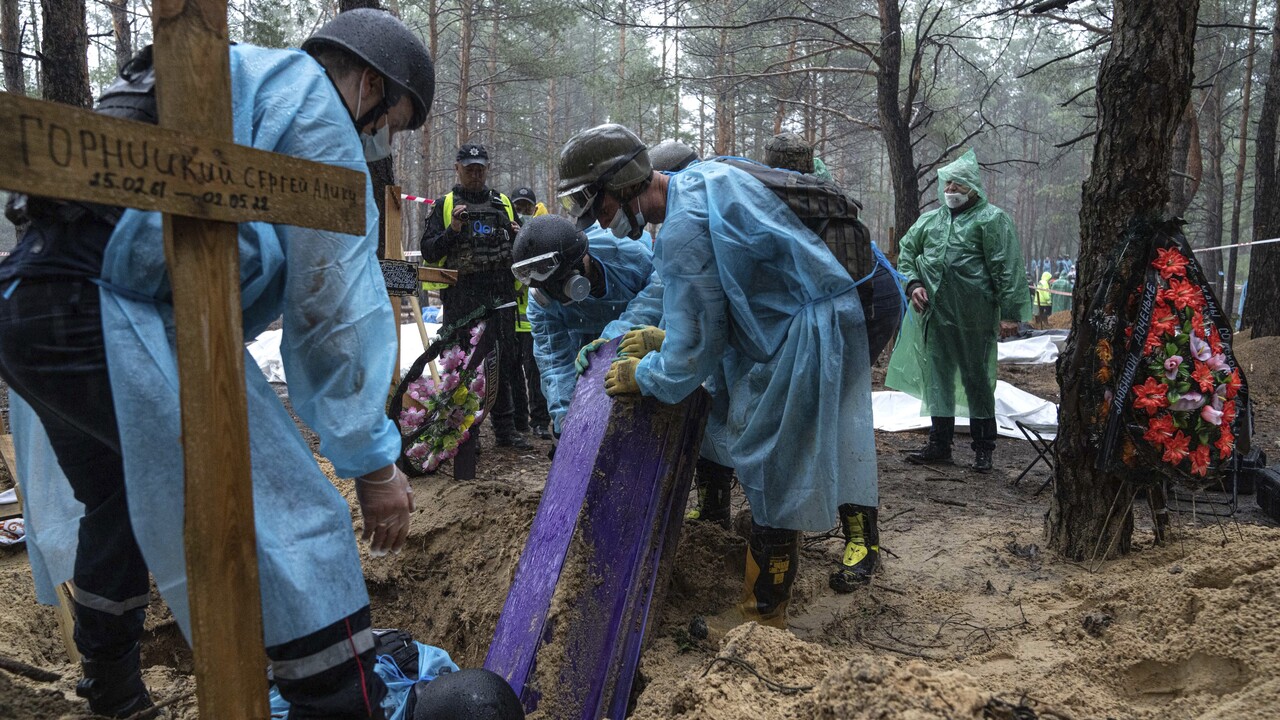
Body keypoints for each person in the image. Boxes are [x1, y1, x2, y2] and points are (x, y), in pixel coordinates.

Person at [0, 9, 431, 718]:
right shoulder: (317, 111)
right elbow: (334, 316)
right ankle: (337, 702)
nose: (380, 138)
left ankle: (111, 689)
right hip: (106, 314)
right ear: (371, 83)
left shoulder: (243, 79)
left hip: (30, 308)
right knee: (294, 514)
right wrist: (373, 466)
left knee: (115, 497)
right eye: (393, 121)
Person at [562, 124, 878, 632]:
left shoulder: (684, 224)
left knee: (773, 462)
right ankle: (767, 600)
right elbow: (717, 298)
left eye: (599, 207)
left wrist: (648, 374)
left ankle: (762, 616)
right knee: (770, 452)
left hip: (802, 329)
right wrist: (658, 337)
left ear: (621, 185)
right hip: (795, 320)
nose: (603, 221)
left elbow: (697, 348)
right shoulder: (701, 183)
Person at [763, 131, 903, 591]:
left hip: (864, 311)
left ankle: (863, 539)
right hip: (824, 316)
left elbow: (849, 290)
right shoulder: (771, 198)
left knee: (842, 422)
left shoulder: (826, 208)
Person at [885, 149, 1031, 474]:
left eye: (958, 183)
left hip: (974, 318)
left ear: (973, 187)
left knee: (977, 377)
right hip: (935, 316)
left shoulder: (992, 219)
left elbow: (1007, 268)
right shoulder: (930, 221)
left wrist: (1010, 313)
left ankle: (983, 448)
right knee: (938, 378)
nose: (951, 189)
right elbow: (907, 253)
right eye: (947, 183)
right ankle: (940, 444)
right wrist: (913, 284)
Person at [419, 145, 530, 450]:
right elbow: (429, 250)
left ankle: (505, 431)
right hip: (462, 298)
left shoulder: (503, 202)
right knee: (464, 366)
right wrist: (453, 229)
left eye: (480, 168)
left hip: (500, 295)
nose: (475, 173)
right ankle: (468, 434)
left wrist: (518, 234)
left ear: (487, 168)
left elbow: (520, 248)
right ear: (457, 169)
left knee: (504, 363)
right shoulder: (444, 205)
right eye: (469, 168)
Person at [511, 215, 654, 438]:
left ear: (577, 265)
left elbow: (654, 302)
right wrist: (564, 417)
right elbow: (553, 360)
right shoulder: (541, 301)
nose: (552, 293)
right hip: (581, 338)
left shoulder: (629, 255)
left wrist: (612, 341)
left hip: (638, 336)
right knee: (586, 390)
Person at [508, 187, 552, 439]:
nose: (523, 212)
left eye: (527, 207)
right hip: (513, 319)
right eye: (519, 207)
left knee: (537, 372)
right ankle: (519, 420)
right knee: (513, 372)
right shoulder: (508, 230)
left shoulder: (544, 232)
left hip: (536, 318)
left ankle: (540, 420)